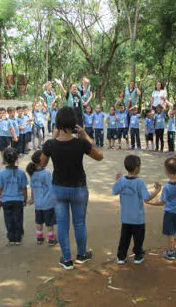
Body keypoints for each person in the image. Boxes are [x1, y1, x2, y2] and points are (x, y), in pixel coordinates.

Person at [40, 106, 104, 270]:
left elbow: (41, 164)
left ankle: (67, 259)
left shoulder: (50, 144)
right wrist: (85, 135)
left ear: (57, 124)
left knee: (62, 224)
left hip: (59, 188)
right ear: (74, 123)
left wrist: (52, 138)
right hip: (79, 187)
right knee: (79, 223)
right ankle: (81, 254)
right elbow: (99, 156)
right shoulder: (81, 143)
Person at [112, 155, 161, 265]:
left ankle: (121, 256)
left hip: (126, 217)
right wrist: (157, 190)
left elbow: (114, 191)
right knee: (138, 238)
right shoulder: (139, 182)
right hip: (138, 218)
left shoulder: (122, 181)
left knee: (124, 239)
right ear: (137, 168)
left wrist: (117, 180)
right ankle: (138, 256)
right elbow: (146, 198)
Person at [0, 148, 28, 245]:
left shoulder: (1, 174)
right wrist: (25, 198)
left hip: (6, 200)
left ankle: (11, 237)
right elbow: (24, 188)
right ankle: (18, 237)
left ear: (4, 159)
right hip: (18, 199)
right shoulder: (21, 173)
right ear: (16, 158)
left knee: (8, 219)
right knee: (18, 218)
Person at [26, 150, 57, 246]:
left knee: (39, 222)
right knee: (49, 223)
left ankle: (39, 238)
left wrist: (32, 199)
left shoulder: (33, 174)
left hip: (38, 204)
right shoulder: (46, 173)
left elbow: (33, 188)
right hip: (48, 203)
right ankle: (51, 239)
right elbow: (52, 187)